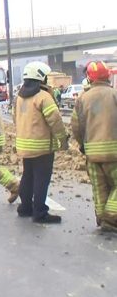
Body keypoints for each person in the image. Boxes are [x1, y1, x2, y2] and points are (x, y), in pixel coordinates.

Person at [14, 61, 69, 224]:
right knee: (41, 179)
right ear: (40, 77)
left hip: (25, 145)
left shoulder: (19, 96)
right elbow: (56, 121)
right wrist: (62, 141)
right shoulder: (44, 97)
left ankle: (25, 208)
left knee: (27, 176)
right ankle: (40, 213)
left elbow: (15, 118)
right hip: (42, 146)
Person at [71, 61, 117, 232]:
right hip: (114, 152)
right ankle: (110, 217)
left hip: (91, 153)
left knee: (99, 188)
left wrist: (83, 145)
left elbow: (76, 126)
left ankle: (101, 218)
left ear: (89, 78)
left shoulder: (82, 98)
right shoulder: (114, 94)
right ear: (107, 76)